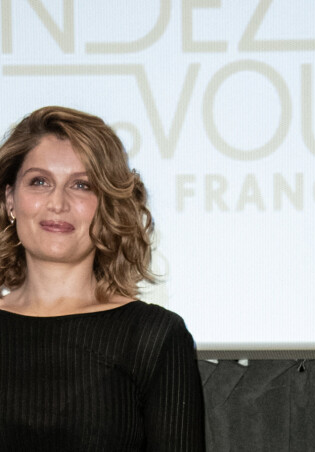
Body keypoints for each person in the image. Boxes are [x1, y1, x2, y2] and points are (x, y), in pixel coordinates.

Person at [0, 106, 205, 451]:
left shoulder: (155, 337)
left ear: (108, 205)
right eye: (39, 181)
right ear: (10, 200)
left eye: (81, 185)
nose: (57, 202)